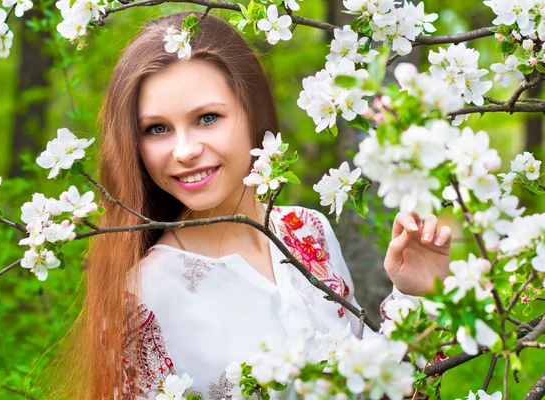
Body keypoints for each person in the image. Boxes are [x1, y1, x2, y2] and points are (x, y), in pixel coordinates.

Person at [53, 10, 452, 400]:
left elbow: (386, 388)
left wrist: (417, 295)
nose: (185, 150)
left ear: (253, 113)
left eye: (207, 118)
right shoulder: (143, 296)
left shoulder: (306, 229)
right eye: (157, 129)